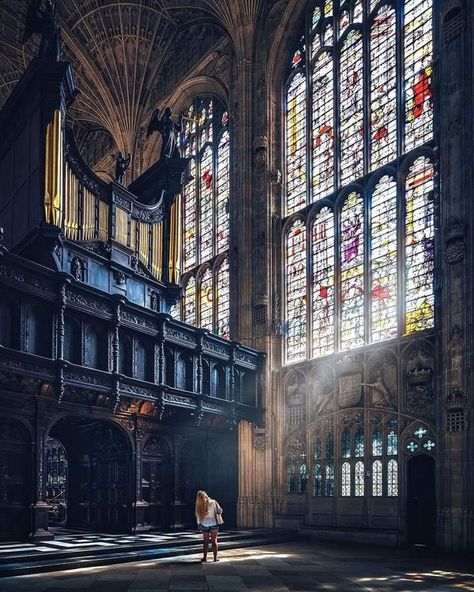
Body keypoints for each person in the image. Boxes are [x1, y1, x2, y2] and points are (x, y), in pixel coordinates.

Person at [195, 490, 223, 562]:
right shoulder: (213, 502)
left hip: (204, 524)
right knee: (214, 541)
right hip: (213, 523)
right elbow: (220, 510)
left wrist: (198, 524)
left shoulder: (199, 504)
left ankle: (205, 558)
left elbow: (198, 516)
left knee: (205, 542)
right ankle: (215, 558)